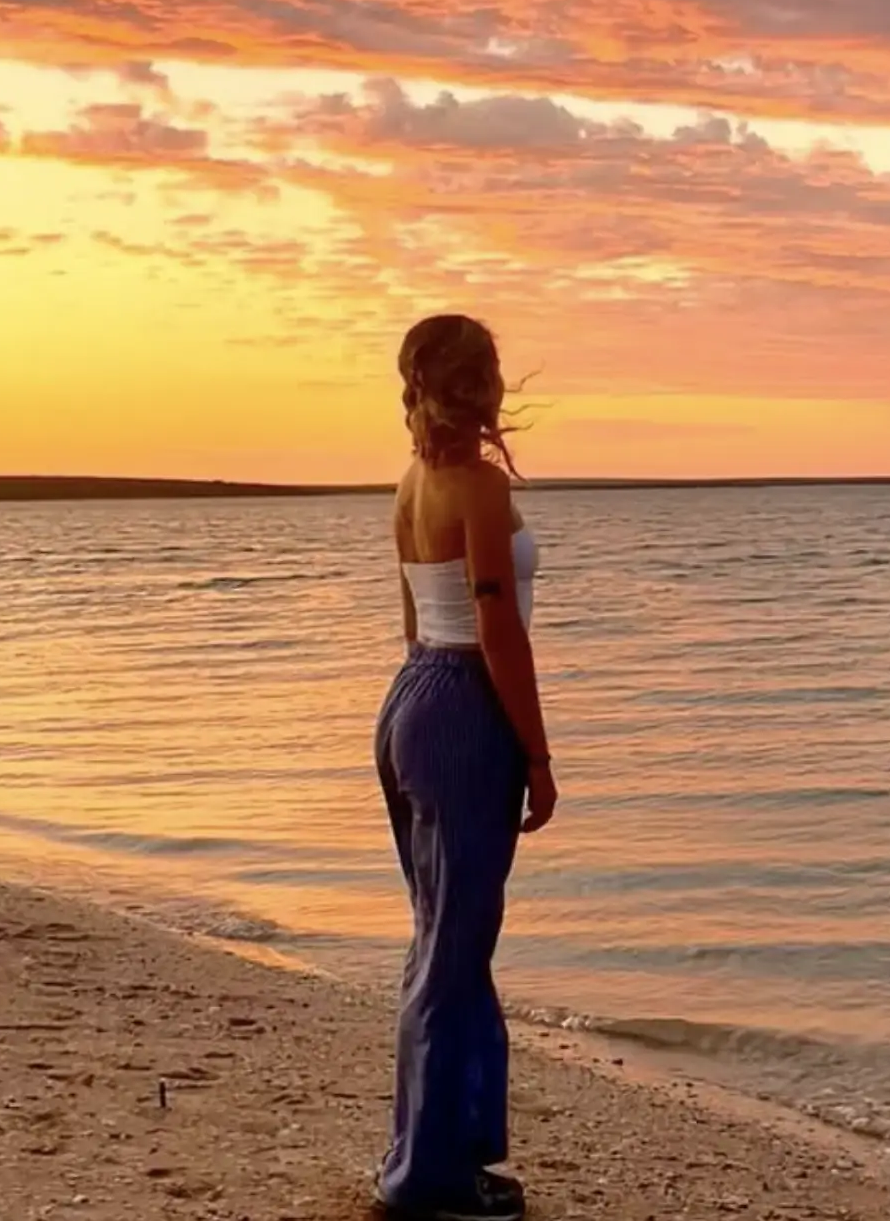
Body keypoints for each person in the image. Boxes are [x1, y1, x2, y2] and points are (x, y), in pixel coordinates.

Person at [373, 314, 557, 1220]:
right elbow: (496, 632)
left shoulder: (411, 481)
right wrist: (536, 751)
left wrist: (425, 708)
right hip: (461, 709)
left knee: (440, 939)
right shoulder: (476, 488)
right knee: (452, 949)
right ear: (481, 383)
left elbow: (414, 621)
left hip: (413, 694)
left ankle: (438, 1151)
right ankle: (427, 1178)